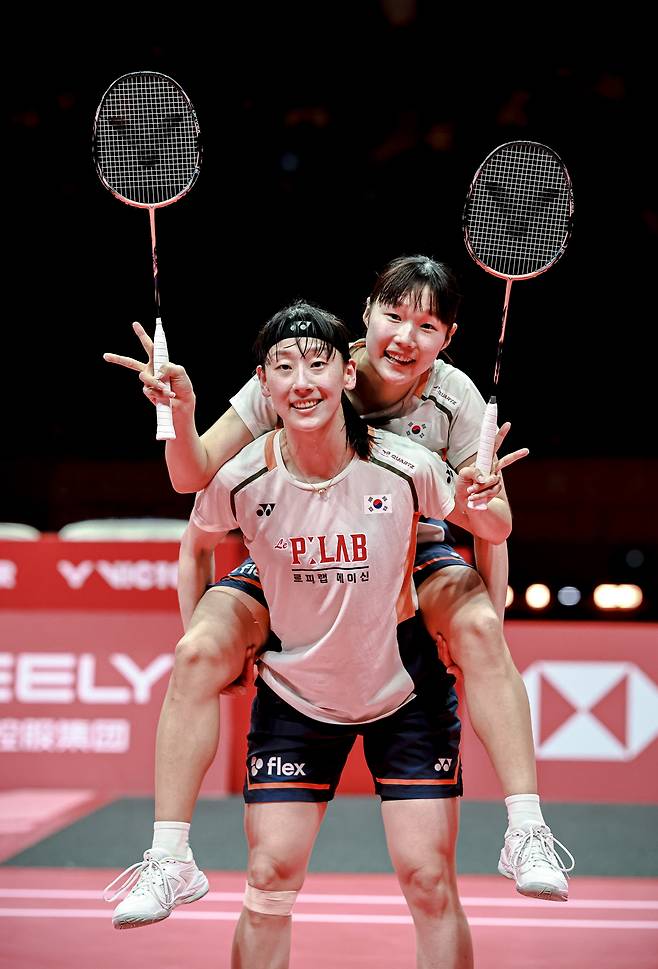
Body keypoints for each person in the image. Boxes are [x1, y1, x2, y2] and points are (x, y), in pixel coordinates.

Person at [103, 257, 574, 927]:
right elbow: (195, 476)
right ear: (367, 313)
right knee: (199, 649)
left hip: (410, 551)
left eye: (428, 324)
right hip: (295, 555)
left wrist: (491, 621)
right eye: (394, 314)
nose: (407, 335)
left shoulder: (456, 398)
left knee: (476, 625)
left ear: (449, 336)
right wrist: (180, 413)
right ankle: (169, 856)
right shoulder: (310, 368)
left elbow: (491, 526)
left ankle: (525, 829)